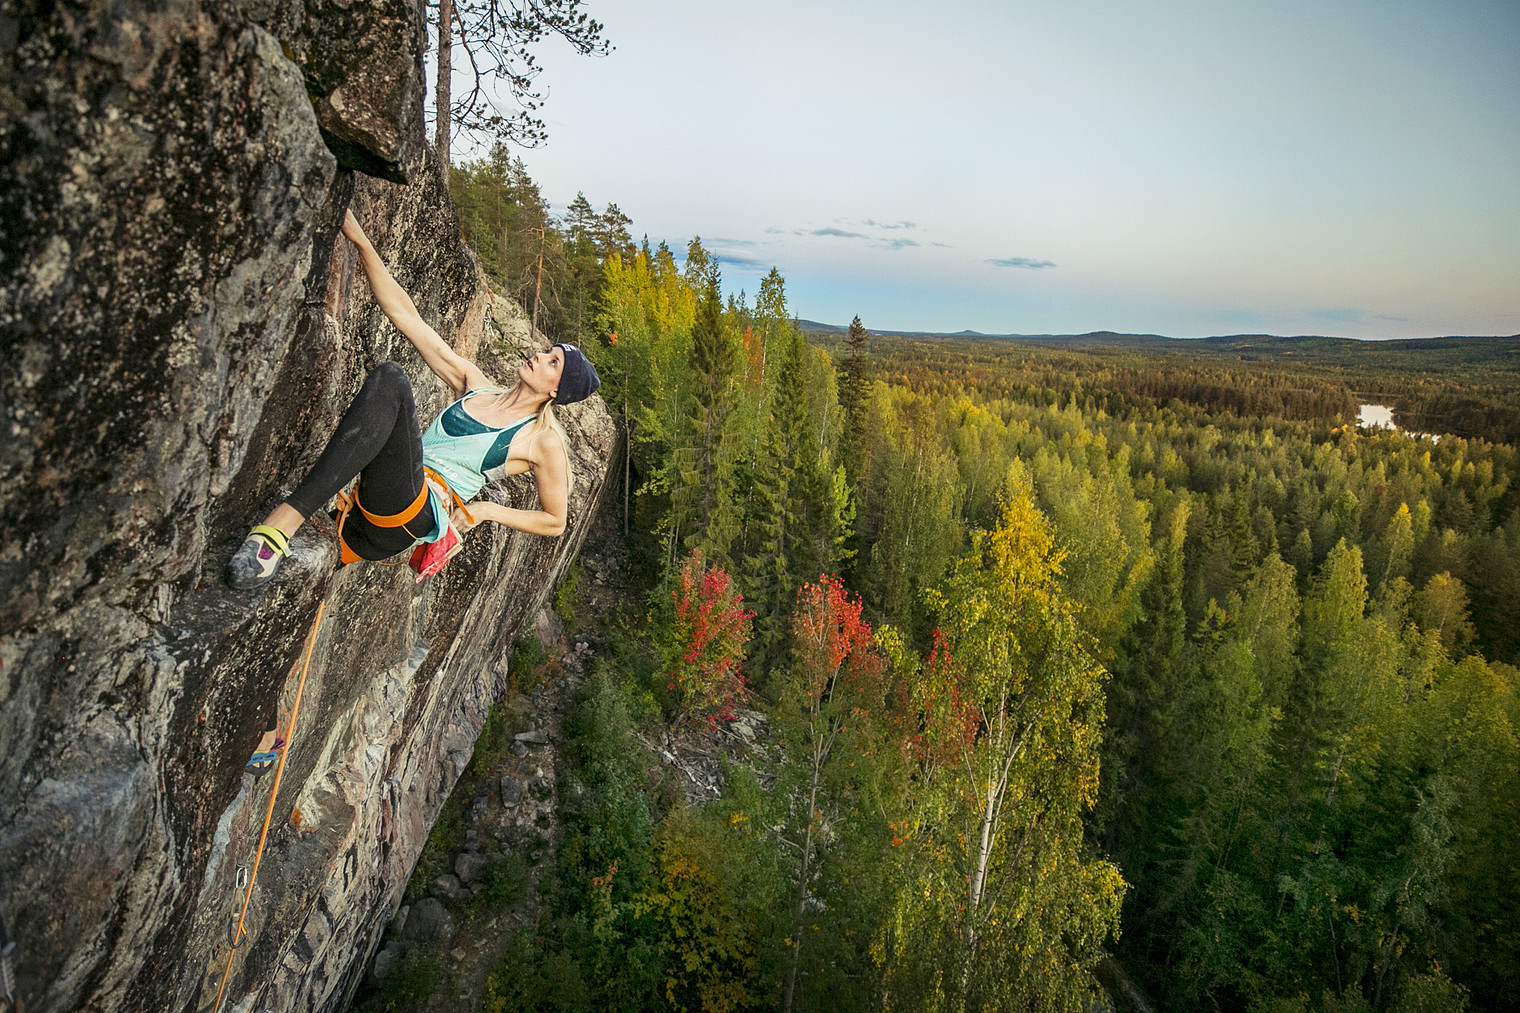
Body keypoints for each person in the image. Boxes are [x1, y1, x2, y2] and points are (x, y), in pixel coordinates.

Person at [229, 210, 600, 772]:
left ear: (557, 390)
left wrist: (485, 510)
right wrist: (359, 239)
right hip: (377, 502)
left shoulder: (541, 442)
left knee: (393, 381)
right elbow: (407, 315)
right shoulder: (475, 385)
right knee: (291, 597)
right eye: (547, 350)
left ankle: (281, 523)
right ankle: (265, 732)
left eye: (553, 362)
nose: (539, 355)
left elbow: (556, 521)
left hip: (415, 514)